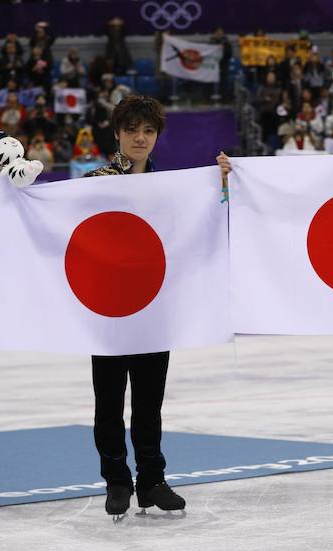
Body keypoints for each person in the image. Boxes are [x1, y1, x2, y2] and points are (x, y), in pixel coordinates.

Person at [84, 95, 232, 518]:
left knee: (149, 403)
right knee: (109, 402)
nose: (140, 138)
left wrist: (219, 183)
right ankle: (117, 480)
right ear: (117, 133)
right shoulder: (96, 180)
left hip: (155, 311)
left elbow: (202, 220)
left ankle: (151, 481)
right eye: (132, 130)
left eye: (148, 131)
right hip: (110, 312)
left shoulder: (171, 188)